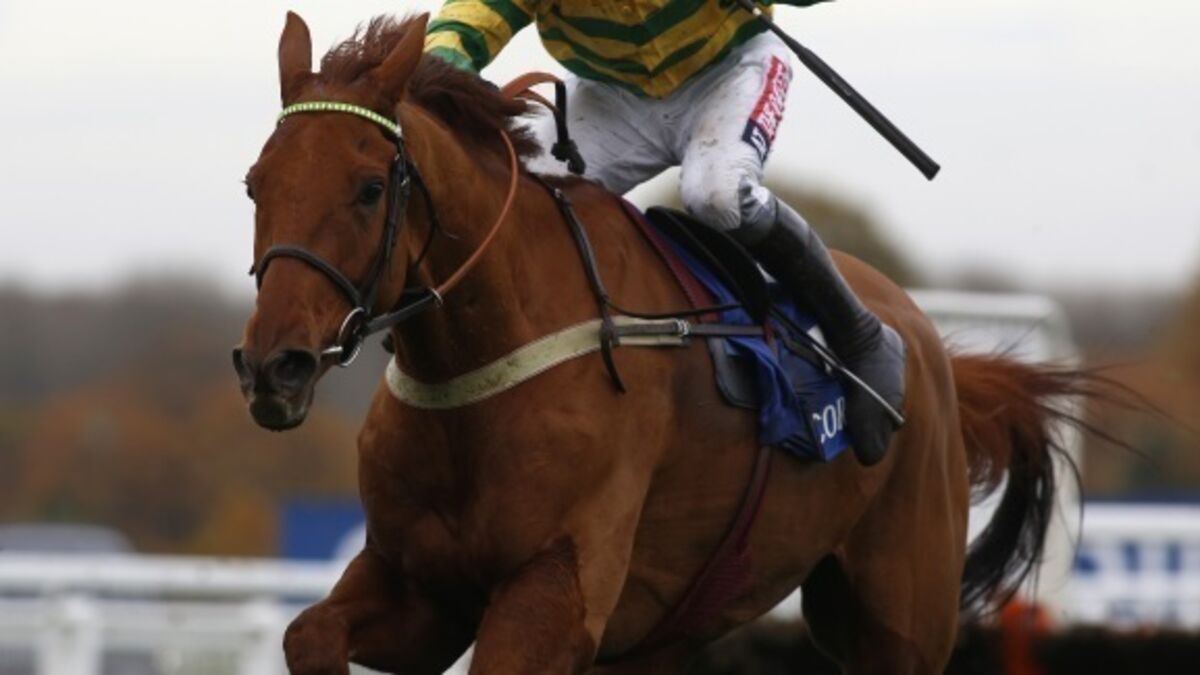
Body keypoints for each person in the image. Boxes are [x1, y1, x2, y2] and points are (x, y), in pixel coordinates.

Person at [424, 0, 905, 466]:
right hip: (610, 94)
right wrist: (444, 63)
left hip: (729, 70)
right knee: (517, 199)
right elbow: (474, 13)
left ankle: (859, 335)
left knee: (717, 195)